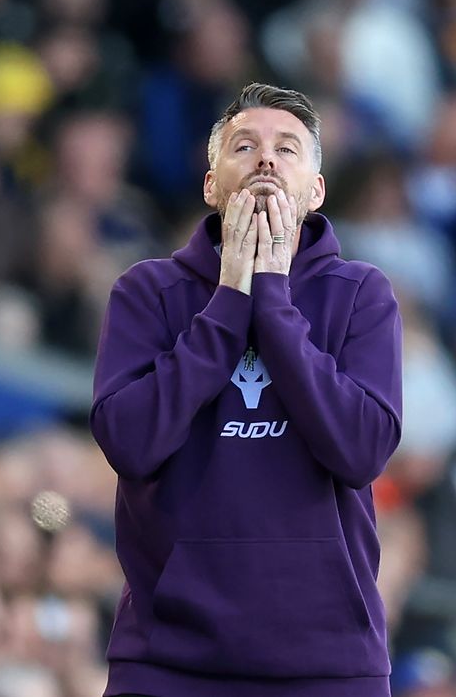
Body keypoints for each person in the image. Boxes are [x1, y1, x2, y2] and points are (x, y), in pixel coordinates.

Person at [90, 82, 404, 696]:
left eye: (288, 149)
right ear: (212, 185)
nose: (265, 159)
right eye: (244, 146)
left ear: (316, 192)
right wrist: (229, 301)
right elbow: (129, 443)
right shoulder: (147, 292)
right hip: (168, 662)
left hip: (329, 665)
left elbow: (363, 451)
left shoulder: (363, 293)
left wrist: (274, 302)